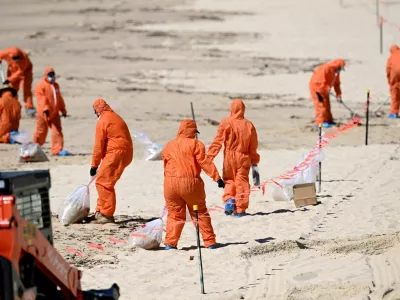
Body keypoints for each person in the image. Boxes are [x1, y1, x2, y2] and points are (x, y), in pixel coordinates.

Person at [162, 119, 224, 250]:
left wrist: (169, 181)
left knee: (174, 214)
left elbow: (165, 165)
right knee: (200, 212)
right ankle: (210, 242)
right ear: (192, 132)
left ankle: (170, 244)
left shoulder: (169, 145)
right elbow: (205, 162)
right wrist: (217, 177)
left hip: (170, 184)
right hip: (190, 184)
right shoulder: (196, 144)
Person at [207, 99, 260, 218]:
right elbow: (253, 146)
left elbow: (218, 141)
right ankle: (240, 210)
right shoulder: (249, 125)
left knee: (229, 179)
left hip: (229, 156)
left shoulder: (226, 122)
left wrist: (209, 157)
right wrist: (254, 161)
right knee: (242, 182)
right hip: (243, 156)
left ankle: (229, 200)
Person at [90, 98, 133, 224]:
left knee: (104, 182)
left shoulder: (103, 120)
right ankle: (100, 211)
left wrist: (94, 165)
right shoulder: (114, 116)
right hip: (123, 153)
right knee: (103, 180)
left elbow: (98, 146)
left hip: (116, 153)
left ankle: (106, 214)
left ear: (98, 110)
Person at [33, 67, 71, 156]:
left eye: (53, 75)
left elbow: (59, 98)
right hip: (43, 113)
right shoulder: (40, 85)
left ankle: (57, 150)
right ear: (46, 75)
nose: (52, 77)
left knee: (57, 131)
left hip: (55, 113)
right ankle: (34, 148)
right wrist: (45, 108)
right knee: (41, 131)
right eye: (50, 75)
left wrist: (63, 110)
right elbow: (41, 98)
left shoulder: (56, 86)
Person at [309, 59, 346, 128]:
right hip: (317, 88)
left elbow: (337, 84)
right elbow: (321, 81)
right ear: (337, 66)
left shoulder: (336, 72)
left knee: (327, 104)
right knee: (321, 105)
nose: (340, 70)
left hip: (324, 89)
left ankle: (328, 120)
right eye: (340, 68)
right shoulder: (326, 68)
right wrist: (327, 88)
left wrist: (339, 95)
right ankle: (319, 122)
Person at [0, 47, 35, 116]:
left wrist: (9, 80)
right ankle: (13, 107)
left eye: (18, 59)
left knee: (26, 90)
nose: (16, 61)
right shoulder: (7, 52)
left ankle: (29, 108)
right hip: (12, 71)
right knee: (13, 90)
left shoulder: (24, 58)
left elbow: (20, 72)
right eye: (14, 59)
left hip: (25, 73)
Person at [386, 45, 400, 119]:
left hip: (395, 73)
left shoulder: (391, 57)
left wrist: (390, 83)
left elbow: (388, 70)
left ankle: (394, 113)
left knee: (395, 93)